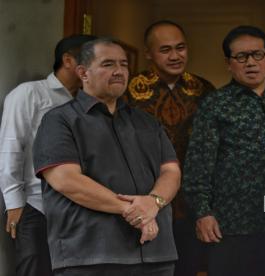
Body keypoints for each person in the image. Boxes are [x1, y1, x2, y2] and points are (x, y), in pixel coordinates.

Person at [32, 38, 181, 275]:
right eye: (108, 64)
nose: (119, 71)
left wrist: (154, 202)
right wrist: (136, 212)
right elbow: (66, 180)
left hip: (155, 253)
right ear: (83, 73)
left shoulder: (146, 122)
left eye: (123, 65)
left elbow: (171, 171)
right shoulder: (60, 121)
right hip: (91, 254)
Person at [183, 25, 265, 276]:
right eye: (241, 57)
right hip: (233, 224)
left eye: (257, 54)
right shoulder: (215, 105)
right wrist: (202, 212)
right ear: (229, 63)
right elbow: (198, 163)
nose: (251, 62)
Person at [0, 34, 96, 276]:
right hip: (34, 204)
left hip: (79, 206)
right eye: (92, 60)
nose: (95, 69)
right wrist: (13, 204)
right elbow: (11, 147)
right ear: (68, 60)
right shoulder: (29, 93)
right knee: (32, 268)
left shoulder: (90, 101)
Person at [125, 20, 215, 276]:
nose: (175, 56)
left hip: (191, 198)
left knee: (190, 265)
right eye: (165, 50)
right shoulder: (129, 89)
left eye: (181, 48)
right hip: (144, 195)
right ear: (149, 53)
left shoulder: (203, 88)